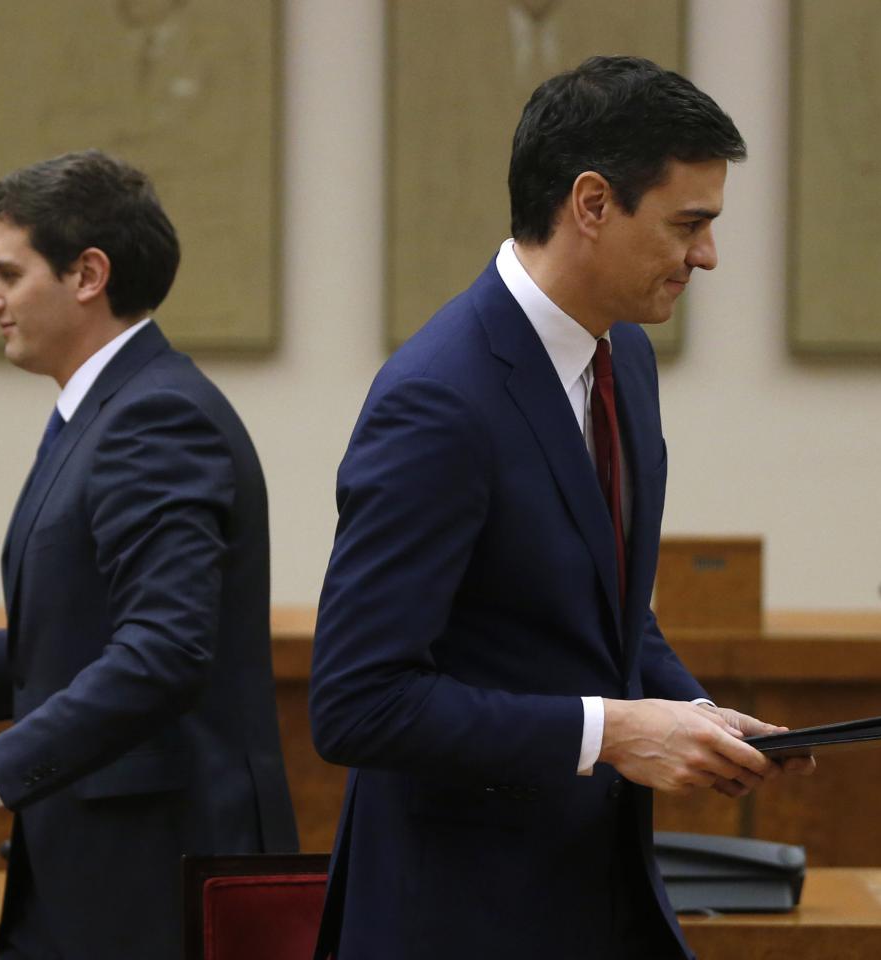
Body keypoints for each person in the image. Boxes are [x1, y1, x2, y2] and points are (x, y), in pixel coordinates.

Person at [308, 56, 813, 959]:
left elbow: (595, 611)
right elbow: (357, 703)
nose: (707, 255)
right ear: (591, 204)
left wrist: (690, 711)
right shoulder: (438, 396)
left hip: (595, 896)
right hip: (456, 918)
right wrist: (617, 732)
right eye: (688, 224)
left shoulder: (628, 361)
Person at [0, 150, 298, 960]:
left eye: (7, 273)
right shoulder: (102, 408)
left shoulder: (156, 417)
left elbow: (166, 651)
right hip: (100, 875)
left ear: (87, 274)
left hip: (152, 882)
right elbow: (107, 624)